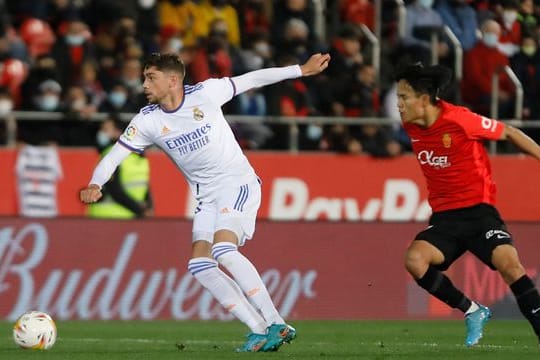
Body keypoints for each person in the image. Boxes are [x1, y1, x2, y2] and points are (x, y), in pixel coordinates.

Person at [80, 52, 331, 352]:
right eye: (145, 77)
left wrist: (300, 70)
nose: (144, 83)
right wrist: (96, 182)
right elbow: (115, 155)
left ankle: (277, 322)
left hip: (237, 183)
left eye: (151, 77)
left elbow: (251, 79)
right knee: (200, 264)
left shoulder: (206, 94)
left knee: (224, 250)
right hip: (206, 197)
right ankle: (260, 328)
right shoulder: (148, 120)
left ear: (173, 80)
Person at [395, 62, 540, 347]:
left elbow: (509, 133)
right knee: (414, 260)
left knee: (510, 266)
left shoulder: (460, 120)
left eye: (403, 97)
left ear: (423, 100)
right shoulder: (410, 124)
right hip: (445, 219)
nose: (398, 105)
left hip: (479, 213)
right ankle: (473, 310)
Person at [87, 115, 153, 219]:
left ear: (118, 132)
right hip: (121, 216)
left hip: (108, 217)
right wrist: (146, 210)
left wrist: (142, 211)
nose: (101, 133)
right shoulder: (140, 158)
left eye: (105, 129)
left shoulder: (111, 154)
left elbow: (115, 190)